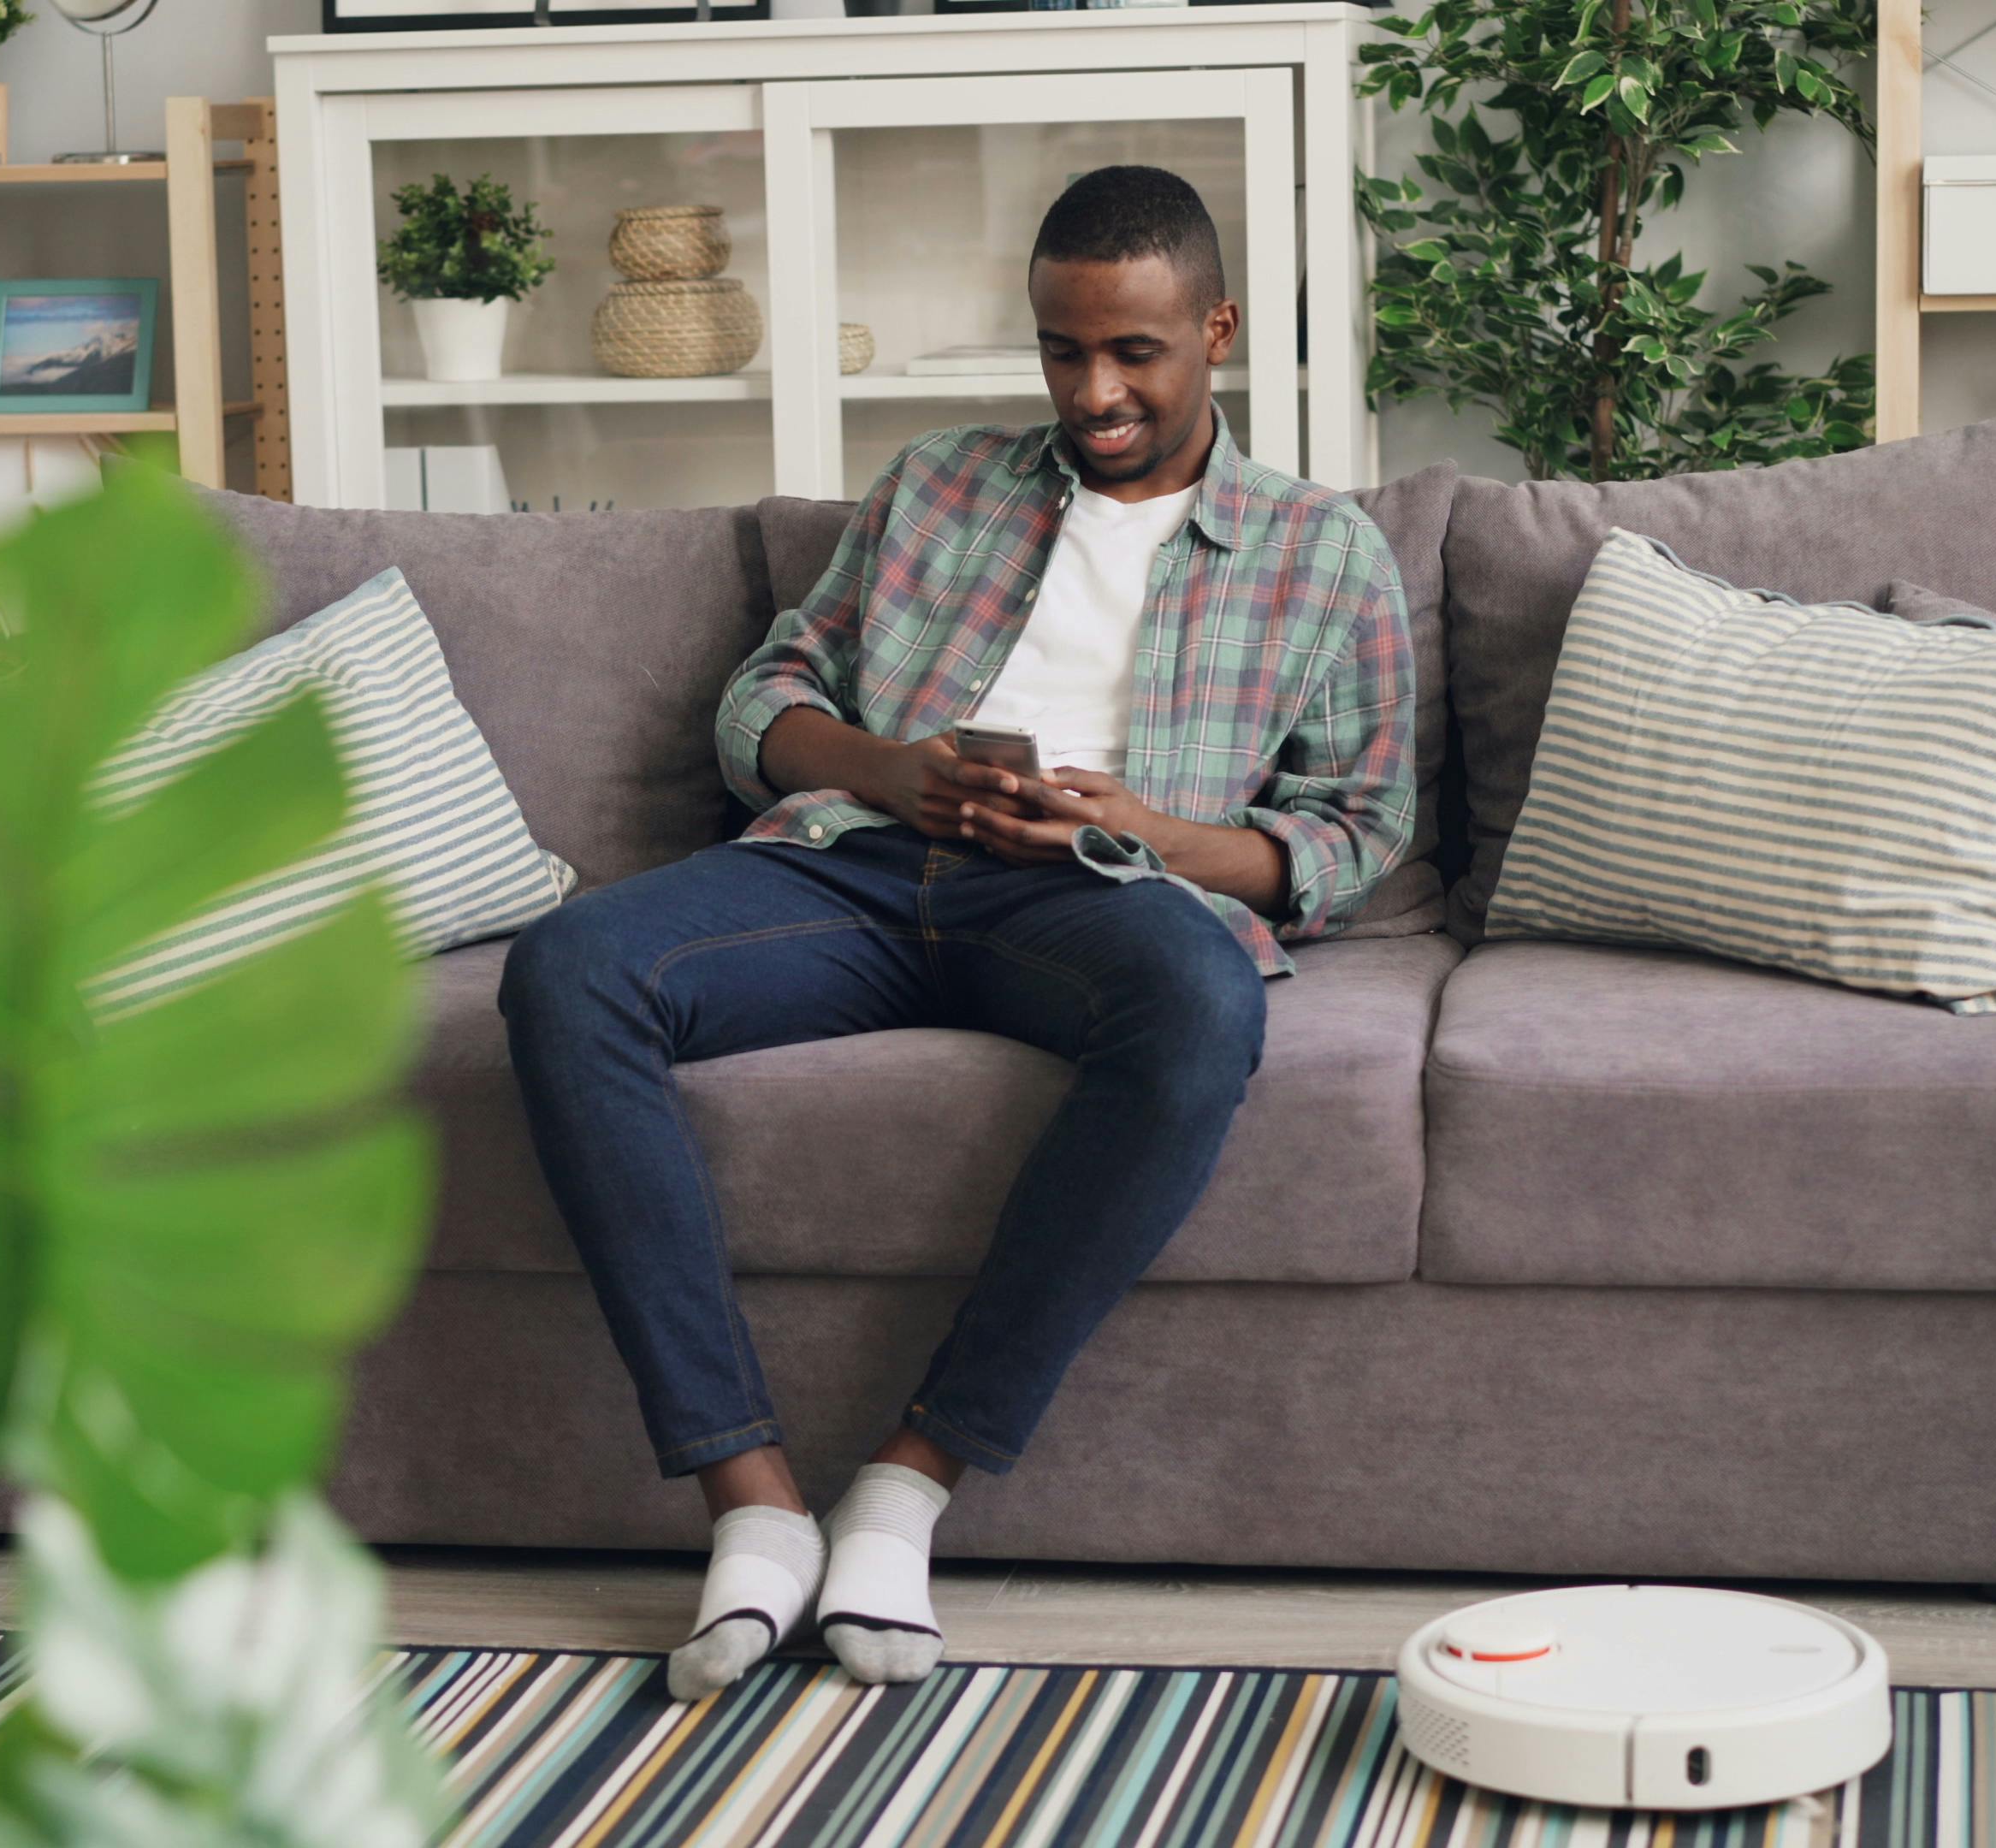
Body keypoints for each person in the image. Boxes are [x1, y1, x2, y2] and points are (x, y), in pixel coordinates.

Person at [497, 164, 1418, 1700]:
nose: (1096, 390)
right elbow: (763, 704)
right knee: (571, 969)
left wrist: (1130, 832)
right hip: (860, 867)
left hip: (1097, 902)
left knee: (1203, 1015)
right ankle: (755, 1510)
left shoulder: (1325, 556)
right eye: (1065, 351)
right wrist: (888, 769)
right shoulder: (935, 486)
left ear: (1218, 331)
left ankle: (906, 1489)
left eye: (1136, 353)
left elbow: (1355, 836)